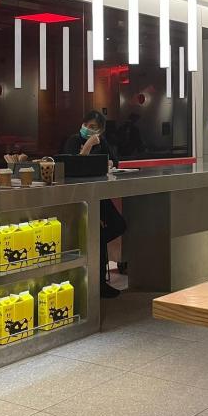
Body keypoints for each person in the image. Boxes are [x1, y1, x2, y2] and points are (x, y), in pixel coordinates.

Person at [63, 110, 125, 299]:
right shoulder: (74, 140)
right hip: (78, 198)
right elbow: (72, 166)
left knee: (117, 225)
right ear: (83, 124)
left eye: (95, 128)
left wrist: (109, 164)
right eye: (89, 126)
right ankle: (97, 283)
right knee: (95, 237)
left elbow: (114, 161)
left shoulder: (102, 142)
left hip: (99, 194)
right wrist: (88, 145)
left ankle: (96, 258)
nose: (91, 131)